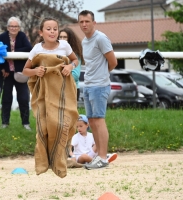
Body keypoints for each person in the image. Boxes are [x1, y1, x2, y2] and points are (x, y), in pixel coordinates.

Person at [22, 17, 79, 178]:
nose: (52, 31)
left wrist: (69, 66)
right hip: (45, 95)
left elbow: (75, 60)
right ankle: (43, 162)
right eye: (48, 29)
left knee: (64, 124)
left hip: (63, 93)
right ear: (41, 32)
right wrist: (35, 72)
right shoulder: (36, 49)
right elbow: (25, 70)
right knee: (45, 127)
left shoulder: (65, 46)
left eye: (55, 28)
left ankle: (59, 160)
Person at [78, 10, 118, 169]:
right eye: (81, 22)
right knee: (92, 121)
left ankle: (102, 158)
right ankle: (99, 155)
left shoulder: (100, 38)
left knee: (99, 120)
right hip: (87, 85)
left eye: (87, 21)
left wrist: (101, 76)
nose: (84, 24)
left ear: (94, 23)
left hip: (99, 85)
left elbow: (113, 62)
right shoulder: (84, 41)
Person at [0, 16, 32, 130]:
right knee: (6, 98)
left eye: (16, 26)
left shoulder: (22, 36)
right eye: (11, 26)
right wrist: (3, 69)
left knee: (23, 98)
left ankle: (26, 123)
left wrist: (13, 53)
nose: (13, 28)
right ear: (8, 27)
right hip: (6, 72)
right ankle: (5, 123)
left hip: (20, 72)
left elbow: (28, 48)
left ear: (19, 27)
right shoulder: (1, 37)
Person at [59, 27, 84, 101]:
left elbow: (76, 75)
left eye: (65, 37)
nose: (62, 39)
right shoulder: (56, 52)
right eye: (60, 37)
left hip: (72, 89)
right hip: (57, 89)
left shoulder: (75, 53)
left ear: (70, 39)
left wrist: (58, 76)